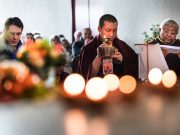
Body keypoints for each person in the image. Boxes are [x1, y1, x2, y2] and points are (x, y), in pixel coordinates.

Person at [78, 14, 138, 80]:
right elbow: (86, 77)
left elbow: (136, 67)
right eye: (108, 30)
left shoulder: (122, 45)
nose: (112, 34)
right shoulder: (89, 48)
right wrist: (98, 57)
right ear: (99, 29)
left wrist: (123, 60)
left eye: (115, 30)